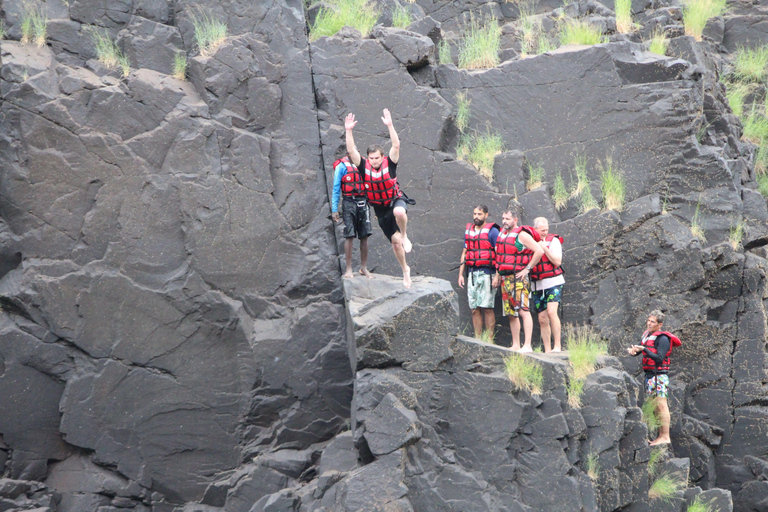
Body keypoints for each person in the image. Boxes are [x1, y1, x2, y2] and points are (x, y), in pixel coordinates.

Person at [345, 109, 415, 288]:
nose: (375, 161)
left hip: (394, 200)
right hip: (380, 208)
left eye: (377, 158)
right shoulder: (363, 167)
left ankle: (405, 235)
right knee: (395, 244)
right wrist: (349, 130)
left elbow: (396, 145)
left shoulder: (389, 163)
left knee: (400, 212)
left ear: (382, 157)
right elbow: (351, 150)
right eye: (371, 158)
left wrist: (390, 125)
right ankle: (405, 270)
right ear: (368, 158)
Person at [492, 208, 544, 352]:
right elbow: (499, 257)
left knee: (523, 310)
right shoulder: (502, 235)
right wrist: (497, 275)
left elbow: (539, 251)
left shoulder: (521, 235)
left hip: (519, 278)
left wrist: (527, 269)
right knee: (510, 312)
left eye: (507, 219)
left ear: (515, 220)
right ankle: (516, 345)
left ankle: (527, 345)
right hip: (505, 278)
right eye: (503, 218)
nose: (504, 221)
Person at [627, 310, 682, 446]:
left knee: (661, 405)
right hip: (650, 375)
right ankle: (659, 435)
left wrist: (644, 349)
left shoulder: (663, 339)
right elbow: (642, 350)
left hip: (659, 376)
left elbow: (659, 358)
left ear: (659, 325)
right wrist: (634, 352)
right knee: (654, 406)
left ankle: (665, 436)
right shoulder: (647, 335)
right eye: (648, 320)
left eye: (653, 322)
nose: (649, 323)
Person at [458, 205, 500, 338]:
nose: (476, 216)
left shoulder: (492, 232)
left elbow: (499, 254)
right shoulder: (469, 231)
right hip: (472, 274)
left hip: (488, 273)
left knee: (487, 308)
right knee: (474, 308)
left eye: (479, 214)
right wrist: (460, 274)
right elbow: (464, 253)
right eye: (475, 214)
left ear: (486, 215)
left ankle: (489, 340)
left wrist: (497, 276)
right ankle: (478, 339)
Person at [331, 149, 373, 279]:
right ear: (347, 154)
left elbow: (372, 184)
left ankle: (363, 267)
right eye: (351, 153)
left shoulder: (365, 165)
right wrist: (334, 209)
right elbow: (336, 188)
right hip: (349, 203)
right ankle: (348, 269)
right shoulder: (341, 167)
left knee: (365, 235)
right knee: (349, 235)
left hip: (363, 202)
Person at [530, 217, 564, 353]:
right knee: (542, 318)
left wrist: (545, 249)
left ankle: (557, 346)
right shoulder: (530, 241)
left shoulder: (554, 241)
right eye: (542, 230)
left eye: (546, 230)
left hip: (554, 282)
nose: (545, 232)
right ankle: (548, 350)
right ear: (535, 229)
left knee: (551, 312)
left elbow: (557, 262)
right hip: (537, 285)